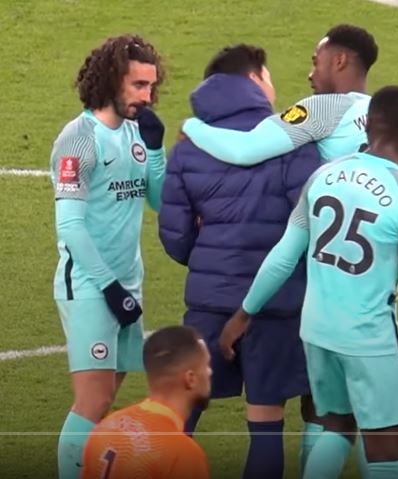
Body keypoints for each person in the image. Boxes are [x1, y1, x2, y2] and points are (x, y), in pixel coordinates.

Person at [219, 85, 398, 479]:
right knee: (385, 446)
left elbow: (284, 255)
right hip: (369, 340)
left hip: (317, 332)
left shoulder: (323, 176)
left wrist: (243, 314)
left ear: (367, 125)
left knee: (337, 427)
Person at [159, 44, 322, 478]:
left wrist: (212, 259)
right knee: (266, 422)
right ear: (254, 78)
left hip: (209, 303)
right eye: (268, 75)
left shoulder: (189, 147)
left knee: (181, 413)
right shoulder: (292, 140)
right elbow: (313, 223)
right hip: (276, 306)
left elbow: (175, 237)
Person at [50, 34, 166, 479]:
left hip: (127, 283)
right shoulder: (78, 140)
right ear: (112, 80)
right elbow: (70, 227)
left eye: (151, 86)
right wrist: (110, 288)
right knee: (93, 401)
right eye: (138, 85)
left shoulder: (136, 133)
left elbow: (159, 200)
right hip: (90, 286)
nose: (147, 97)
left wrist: (156, 150)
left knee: (104, 402)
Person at [181, 24, 378, 165]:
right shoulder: (381, 113)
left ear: (339, 61)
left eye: (316, 62)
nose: (311, 75)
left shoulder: (325, 107)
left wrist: (191, 126)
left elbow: (245, 150)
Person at [81, 325, 211, 479]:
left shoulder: (106, 427)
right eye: (206, 365)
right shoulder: (183, 455)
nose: (210, 372)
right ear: (190, 379)